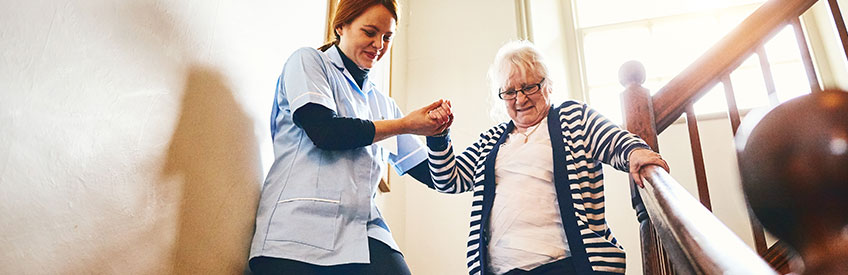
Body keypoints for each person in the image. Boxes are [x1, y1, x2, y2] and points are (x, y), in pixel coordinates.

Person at [424, 41, 669, 275]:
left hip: (568, 266)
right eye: (509, 92)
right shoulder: (490, 140)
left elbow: (614, 141)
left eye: (529, 87)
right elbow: (448, 179)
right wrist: (438, 136)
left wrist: (636, 151)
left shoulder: (573, 118)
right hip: (502, 270)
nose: (520, 99)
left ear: (547, 85)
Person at [247, 0, 452, 274]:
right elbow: (325, 132)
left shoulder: (382, 103)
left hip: (361, 231)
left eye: (387, 37)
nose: (379, 44)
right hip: (298, 233)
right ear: (341, 26)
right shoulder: (308, 61)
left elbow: (436, 176)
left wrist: (438, 134)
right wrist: (405, 125)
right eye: (370, 32)